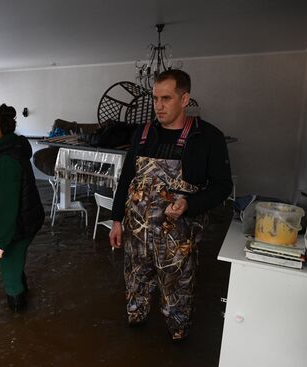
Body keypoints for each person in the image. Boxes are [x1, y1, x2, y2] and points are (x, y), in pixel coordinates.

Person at [109, 70, 232, 340]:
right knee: (136, 280)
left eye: (166, 98)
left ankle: (177, 329)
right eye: (155, 98)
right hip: (137, 234)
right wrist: (117, 220)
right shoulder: (142, 134)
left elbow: (223, 186)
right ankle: (137, 318)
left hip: (177, 237)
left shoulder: (207, 137)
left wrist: (190, 203)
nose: (158, 106)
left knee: (177, 287)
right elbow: (126, 179)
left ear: (184, 98)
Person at [0, 104, 45, 312]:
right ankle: (25, 305)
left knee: (9, 275)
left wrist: (1, 243)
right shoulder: (10, 150)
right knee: (15, 265)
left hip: (19, 226)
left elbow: (7, 206)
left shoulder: (6, 159)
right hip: (27, 221)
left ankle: (19, 325)